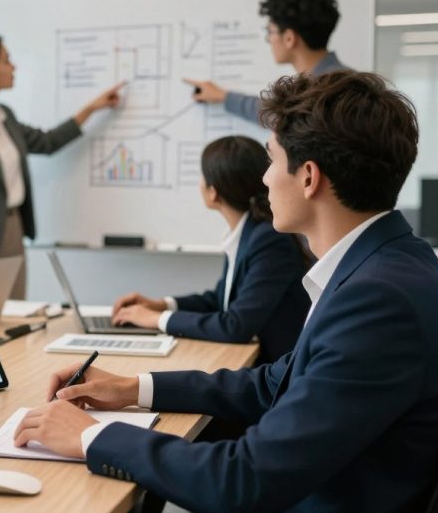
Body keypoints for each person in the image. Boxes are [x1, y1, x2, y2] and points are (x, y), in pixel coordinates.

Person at [12, 71, 438, 513]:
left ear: (308, 176)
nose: (263, 179)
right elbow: (274, 382)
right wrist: (133, 389)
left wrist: (94, 437)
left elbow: (242, 482)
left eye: (272, 160)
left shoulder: (380, 301)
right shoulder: (388, 266)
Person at [0, 34, 124, 298]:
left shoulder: (5, 116)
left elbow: (47, 142)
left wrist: (92, 108)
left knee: (12, 318)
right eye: (6, 61)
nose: (14, 67)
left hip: (12, 230)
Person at [111, 135, 309, 364]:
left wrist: (157, 319)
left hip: (276, 372)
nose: (199, 183)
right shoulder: (248, 233)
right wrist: (163, 304)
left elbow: (235, 326)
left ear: (213, 191)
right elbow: (220, 299)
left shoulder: (269, 240)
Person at [185, 0, 348, 125]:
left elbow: (282, 117)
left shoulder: (327, 93)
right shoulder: (334, 83)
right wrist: (223, 96)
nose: (269, 39)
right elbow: (278, 113)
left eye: (270, 32)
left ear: (289, 38)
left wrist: (224, 97)